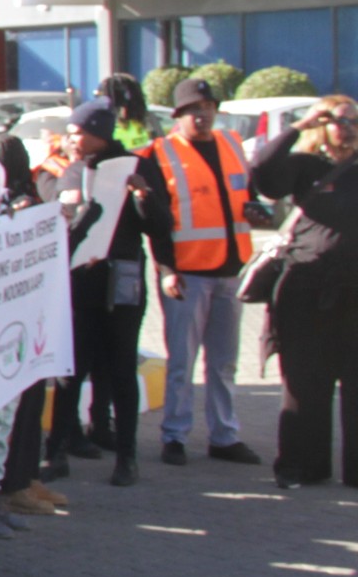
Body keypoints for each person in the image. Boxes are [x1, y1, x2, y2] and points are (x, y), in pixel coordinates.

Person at [137, 76, 262, 467]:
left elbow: (247, 195)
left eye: (207, 108)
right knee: (182, 362)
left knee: (224, 362)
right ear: (177, 115)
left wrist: (256, 210)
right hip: (187, 275)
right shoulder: (159, 154)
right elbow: (156, 223)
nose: (202, 115)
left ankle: (224, 436)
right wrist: (166, 269)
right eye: (193, 110)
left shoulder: (232, 144)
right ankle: (175, 435)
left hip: (230, 270)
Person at [253, 95, 358, 486]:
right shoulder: (304, 166)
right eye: (336, 120)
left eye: (353, 120)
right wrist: (298, 126)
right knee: (304, 381)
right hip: (306, 288)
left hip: (354, 292)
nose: (345, 127)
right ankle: (302, 466)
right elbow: (262, 172)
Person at [57, 99, 153, 488]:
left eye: (77, 132)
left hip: (122, 283)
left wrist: (143, 199)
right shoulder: (73, 171)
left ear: (98, 134)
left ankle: (127, 458)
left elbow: (160, 227)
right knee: (71, 370)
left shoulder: (137, 167)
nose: (70, 139)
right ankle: (57, 452)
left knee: (121, 370)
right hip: (80, 284)